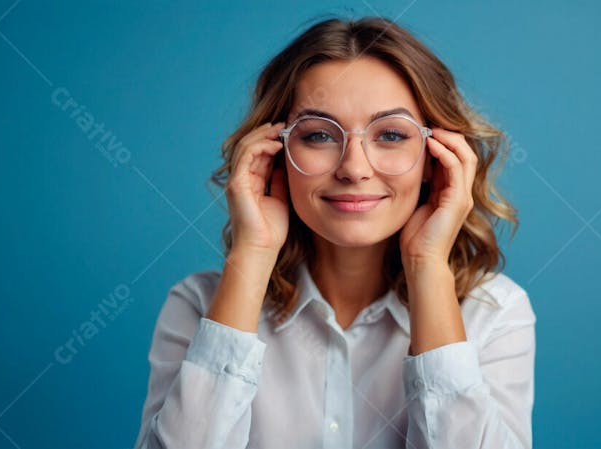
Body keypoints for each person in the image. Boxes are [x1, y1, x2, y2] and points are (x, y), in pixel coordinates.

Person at [134, 15, 536, 449]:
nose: (354, 169)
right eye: (321, 135)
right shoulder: (197, 306)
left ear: (436, 158)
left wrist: (427, 265)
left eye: (392, 134)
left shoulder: (496, 314)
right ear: (276, 152)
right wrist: (252, 251)